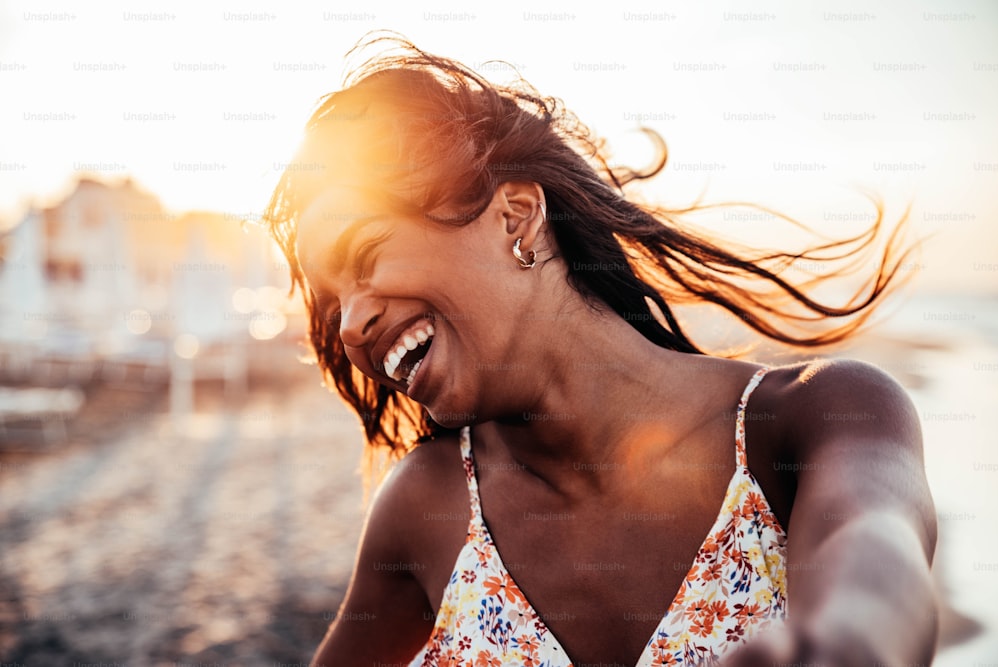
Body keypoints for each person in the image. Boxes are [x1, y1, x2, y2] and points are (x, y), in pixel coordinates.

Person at [262, 35, 937, 667]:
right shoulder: (425, 508)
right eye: (333, 303)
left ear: (516, 218)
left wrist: (843, 642)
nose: (351, 325)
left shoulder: (821, 415)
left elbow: (876, 551)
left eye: (366, 256)